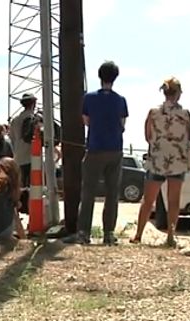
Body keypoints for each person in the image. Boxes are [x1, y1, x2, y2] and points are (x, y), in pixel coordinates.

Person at [64, 61, 129, 245]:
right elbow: (122, 124)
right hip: (115, 149)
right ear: (115, 78)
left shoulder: (89, 98)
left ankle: (84, 232)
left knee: (88, 192)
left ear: (100, 76)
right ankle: (108, 233)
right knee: (112, 192)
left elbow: (86, 121)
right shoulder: (121, 100)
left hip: (94, 148)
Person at [132, 78, 190, 247]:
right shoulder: (185, 114)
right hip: (177, 159)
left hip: (157, 159)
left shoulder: (153, 112)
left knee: (148, 199)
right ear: (178, 93)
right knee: (174, 200)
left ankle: (138, 234)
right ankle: (171, 236)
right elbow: (189, 135)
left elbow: (147, 136)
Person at [9, 93, 38, 187]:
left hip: (18, 156)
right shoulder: (34, 118)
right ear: (33, 103)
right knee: (33, 186)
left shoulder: (15, 120)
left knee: (21, 186)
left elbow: (12, 139)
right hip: (32, 156)